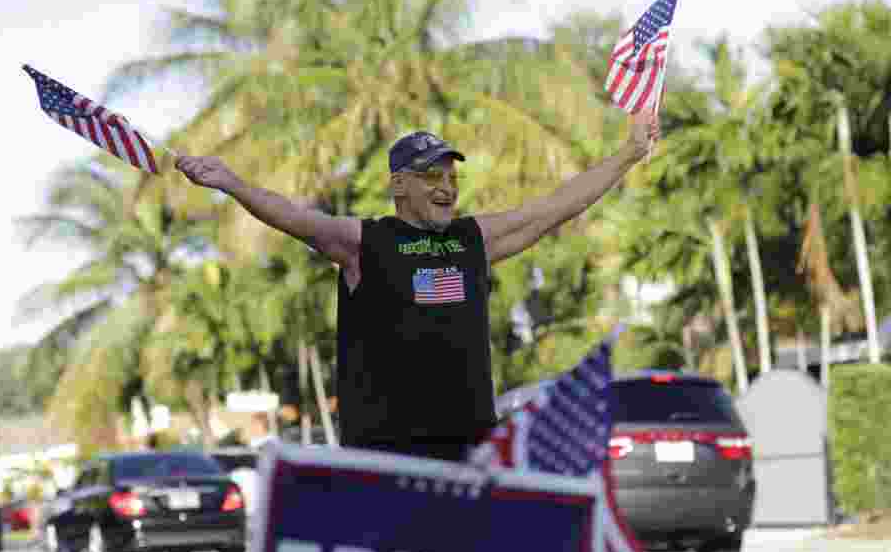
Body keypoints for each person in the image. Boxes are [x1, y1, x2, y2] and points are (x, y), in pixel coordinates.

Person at [176, 108, 660, 463]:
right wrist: (233, 184)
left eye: (451, 176)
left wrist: (629, 154)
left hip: (469, 453)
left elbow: (556, 206)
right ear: (399, 186)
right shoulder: (366, 242)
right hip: (385, 458)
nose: (446, 186)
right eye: (431, 176)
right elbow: (296, 218)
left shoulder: (475, 238)